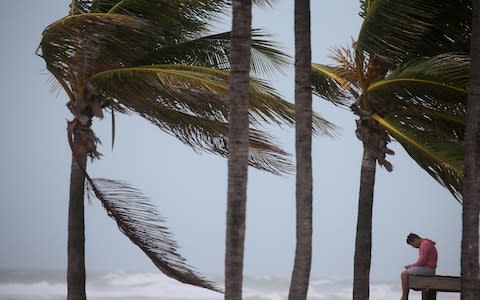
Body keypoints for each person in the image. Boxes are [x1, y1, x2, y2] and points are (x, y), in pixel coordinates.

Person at [400, 233, 438, 300]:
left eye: (412, 245)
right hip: (428, 268)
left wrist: (411, 266)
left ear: (415, 240)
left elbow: (422, 261)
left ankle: (404, 297)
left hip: (429, 269)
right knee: (407, 273)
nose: (414, 247)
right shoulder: (426, 243)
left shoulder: (425, 244)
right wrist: (412, 267)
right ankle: (405, 296)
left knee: (404, 274)